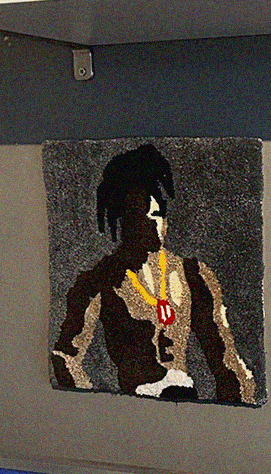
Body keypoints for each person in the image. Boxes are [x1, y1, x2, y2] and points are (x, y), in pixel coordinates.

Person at [51, 143, 256, 403]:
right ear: (122, 219)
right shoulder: (99, 281)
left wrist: (236, 414)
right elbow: (65, 358)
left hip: (187, 406)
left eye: (157, 213)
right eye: (140, 215)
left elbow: (227, 361)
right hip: (136, 407)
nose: (152, 222)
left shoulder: (193, 275)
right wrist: (101, 406)